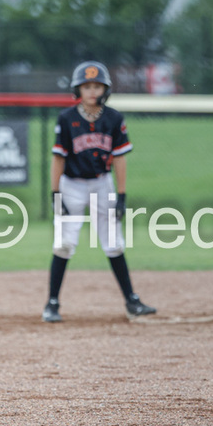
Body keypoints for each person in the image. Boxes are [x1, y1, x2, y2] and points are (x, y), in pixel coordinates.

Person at [42, 60, 157, 323]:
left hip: (102, 184)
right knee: (64, 243)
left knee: (114, 242)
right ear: (77, 90)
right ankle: (52, 303)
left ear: (105, 89)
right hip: (72, 185)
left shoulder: (114, 119)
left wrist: (122, 195)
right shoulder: (67, 119)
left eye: (97, 86)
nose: (92, 91)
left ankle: (131, 301)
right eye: (86, 86)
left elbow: (119, 158)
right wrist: (55, 194)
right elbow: (58, 158)